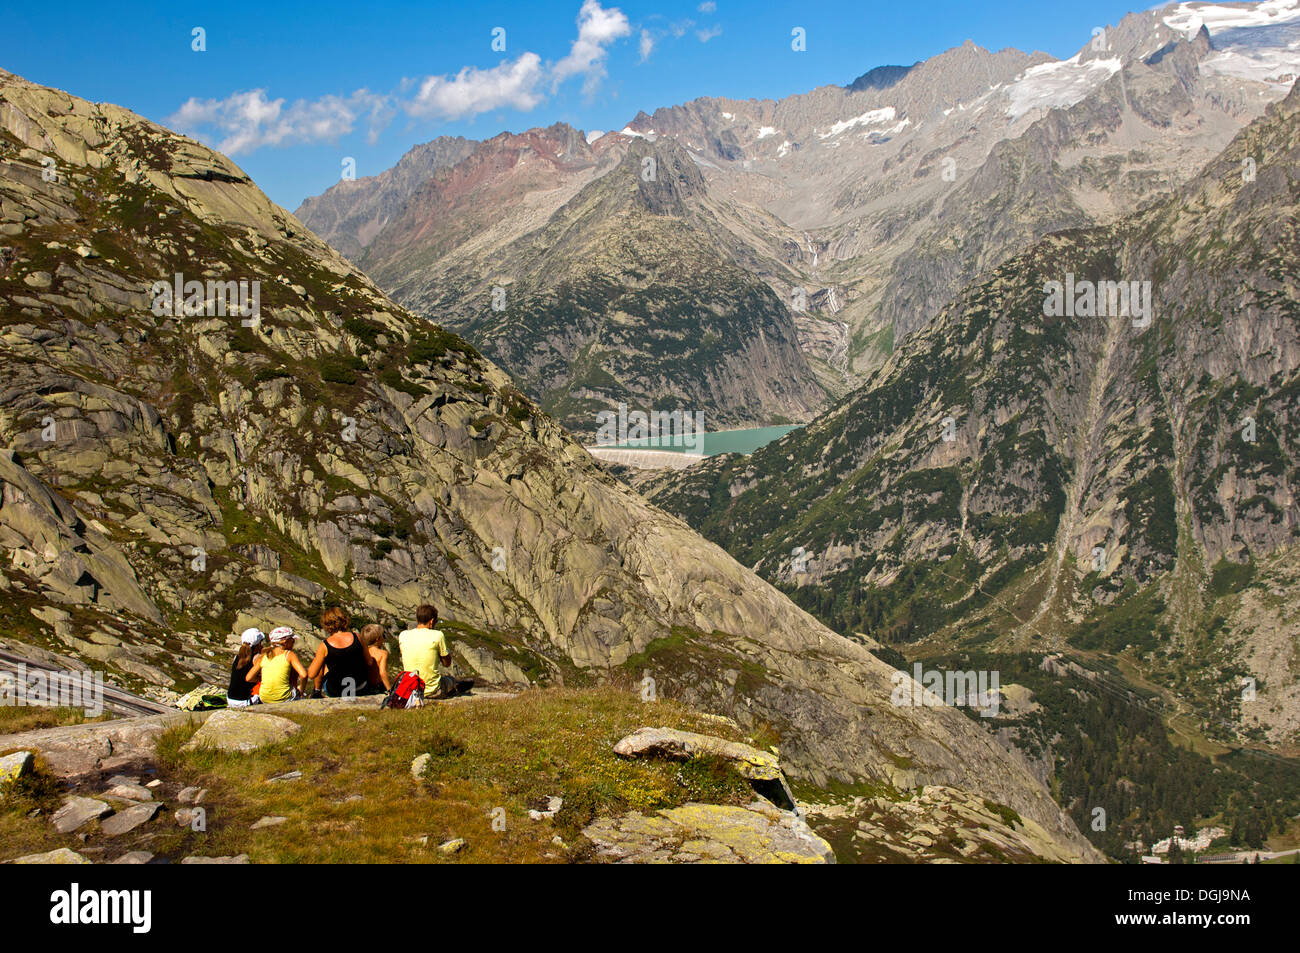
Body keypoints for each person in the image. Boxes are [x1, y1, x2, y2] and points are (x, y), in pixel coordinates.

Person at [307, 607, 371, 698]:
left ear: (326, 624)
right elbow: (369, 662)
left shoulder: (325, 645)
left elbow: (311, 674)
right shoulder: (358, 637)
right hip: (360, 687)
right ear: (344, 620)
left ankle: (317, 692)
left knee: (321, 664)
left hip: (336, 690)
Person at [397, 604, 452, 697]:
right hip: (431, 691)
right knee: (450, 680)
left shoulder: (403, 635)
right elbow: (447, 664)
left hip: (410, 689)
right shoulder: (438, 635)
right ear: (432, 621)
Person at [247, 626, 309, 703]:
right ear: (285, 642)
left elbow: (249, 678)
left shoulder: (263, 656)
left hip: (264, 698)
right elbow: (304, 675)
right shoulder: (289, 654)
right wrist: (301, 690)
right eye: (292, 641)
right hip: (284, 698)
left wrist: (261, 680)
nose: (293, 643)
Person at [227, 628, 264, 708]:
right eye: (261, 643)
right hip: (245, 701)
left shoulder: (237, 657)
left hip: (230, 699)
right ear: (257, 645)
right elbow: (251, 678)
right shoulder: (257, 658)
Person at [359, 623, 392, 694]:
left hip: (364, 686)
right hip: (377, 686)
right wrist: (390, 690)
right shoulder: (383, 653)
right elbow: (382, 673)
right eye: (382, 636)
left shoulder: (362, 652)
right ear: (377, 639)